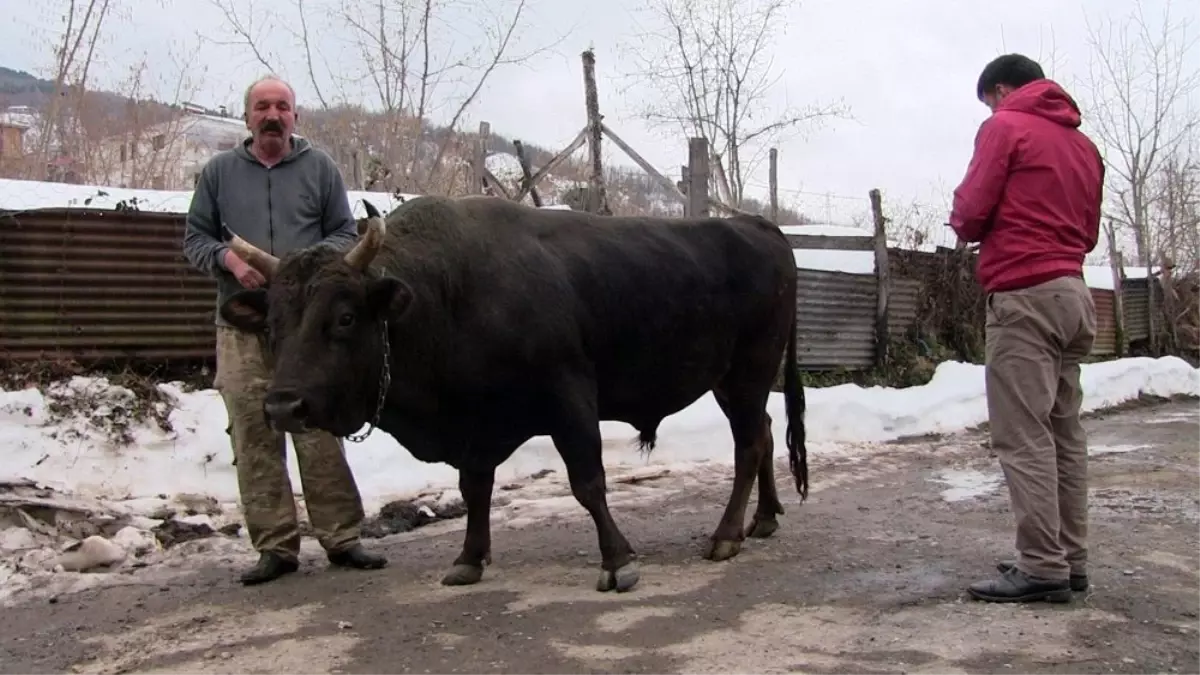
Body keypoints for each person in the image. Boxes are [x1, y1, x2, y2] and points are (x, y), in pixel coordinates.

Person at [182, 74, 387, 585]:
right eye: (261, 107)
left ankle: (342, 537)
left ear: (296, 116)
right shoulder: (219, 172)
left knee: (318, 426)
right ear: (247, 117)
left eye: (282, 106)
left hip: (308, 331)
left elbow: (344, 231)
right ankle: (275, 546)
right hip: (244, 322)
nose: (272, 115)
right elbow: (194, 239)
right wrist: (229, 259)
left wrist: (308, 270)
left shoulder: (319, 168)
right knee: (254, 431)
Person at [947, 54, 1105, 603]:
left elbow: (970, 212)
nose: (991, 107)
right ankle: (1070, 559)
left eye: (990, 98)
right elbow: (1087, 233)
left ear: (1001, 88)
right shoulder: (1085, 147)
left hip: (1023, 295)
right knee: (1065, 433)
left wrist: (968, 221)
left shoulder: (1005, 126)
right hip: (1073, 293)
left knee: (1024, 436)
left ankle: (1041, 566)